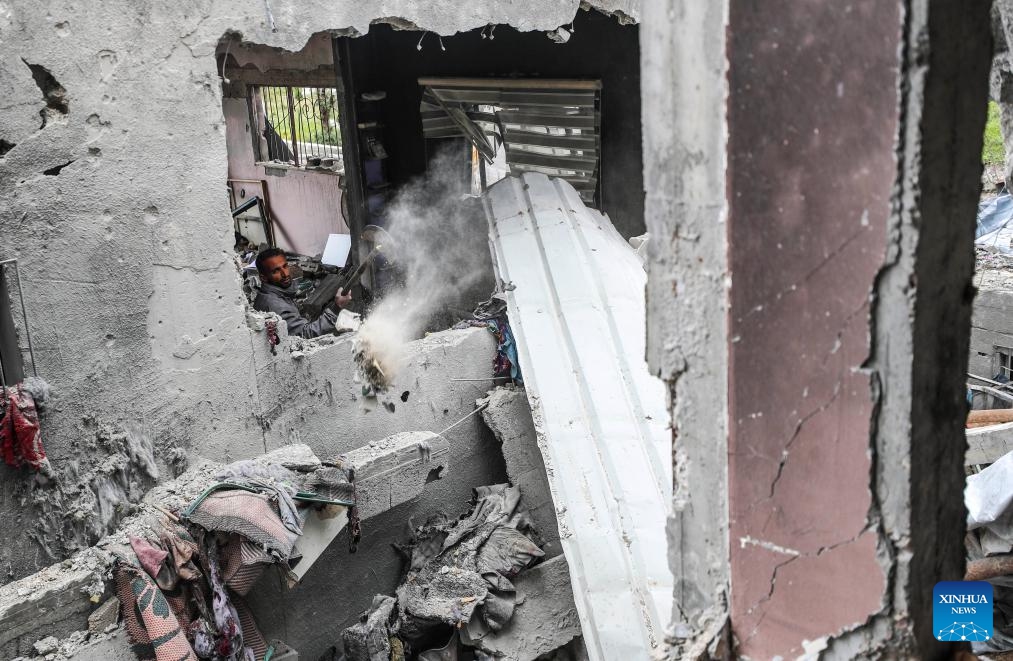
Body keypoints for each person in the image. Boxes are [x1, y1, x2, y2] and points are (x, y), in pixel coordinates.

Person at [253, 247, 352, 339]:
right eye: (276, 271)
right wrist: (337, 307)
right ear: (263, 277)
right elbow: (306, 335)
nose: (285, 274)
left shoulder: (270, 294)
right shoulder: (276, 305)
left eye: (285, 266)